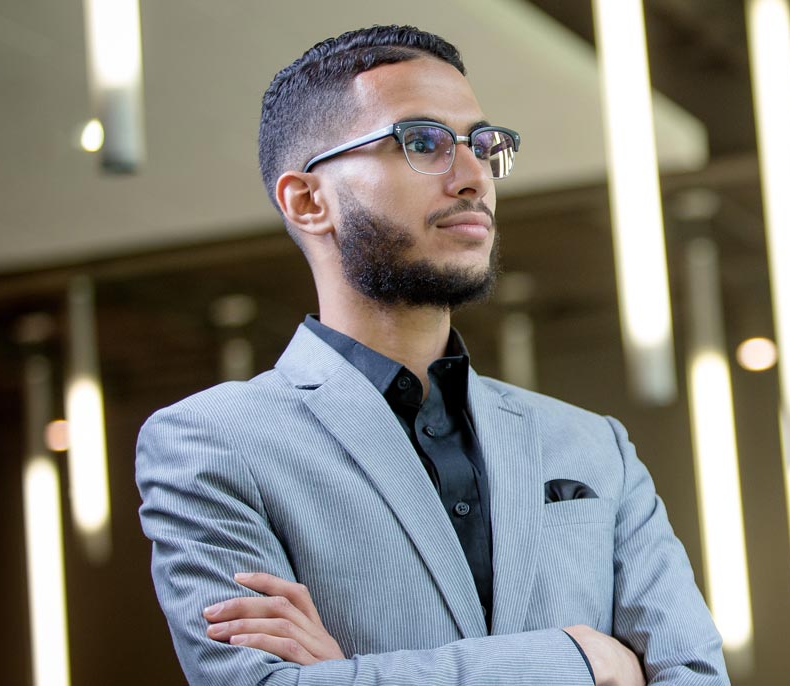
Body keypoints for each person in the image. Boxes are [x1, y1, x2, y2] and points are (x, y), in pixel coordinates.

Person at [135, 25, 727, 686]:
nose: (474, 176)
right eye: (422, 141)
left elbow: (696, 676)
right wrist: (580, 660)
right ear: (308, 200)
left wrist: (350, 675)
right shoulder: (213, 443)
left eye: (482, 144)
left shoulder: (595, 448)